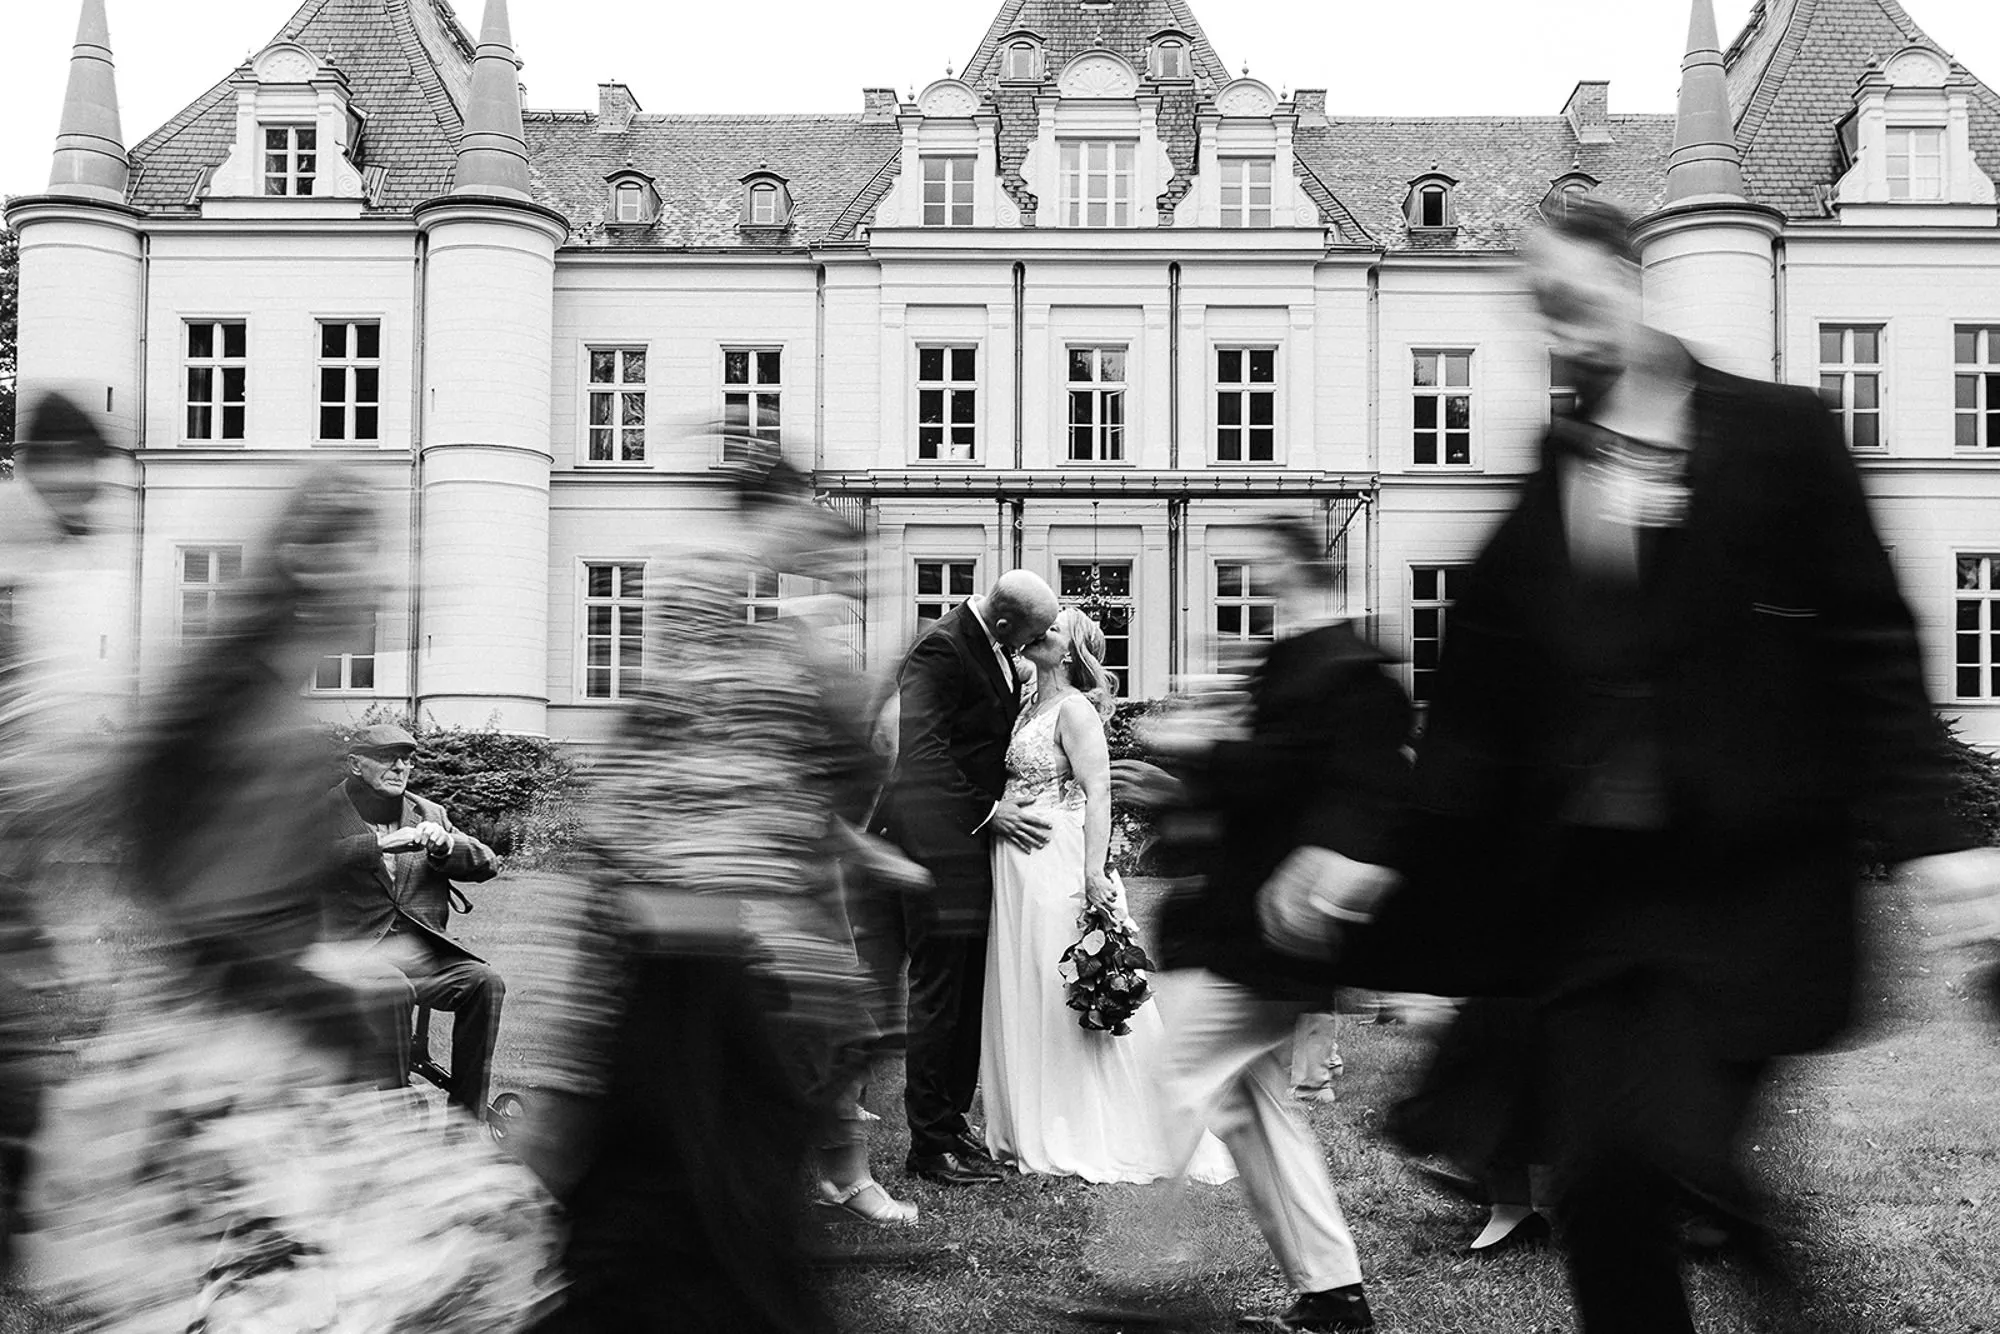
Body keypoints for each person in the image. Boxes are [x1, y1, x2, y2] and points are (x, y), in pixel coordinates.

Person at [1266, 197, 2000, 1333]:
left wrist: (1937, 837)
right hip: (1597, 908)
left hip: (1749, 891)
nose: (1564, 332)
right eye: (1542, 315)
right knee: (1602, 1178)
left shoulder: (1776, 434)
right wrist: (1357, 845)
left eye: (1573, 298)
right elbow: (1472, 713)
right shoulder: (1550, 481)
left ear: (1628, 277)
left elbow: (1869, 645)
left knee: (1677, 1149)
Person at [1114, 519, 1411, 1334]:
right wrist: (1185, 782)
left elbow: (1310, 779)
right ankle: (1335, 1295)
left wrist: (1196, 749)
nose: (1255, 579)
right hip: (1245, 930)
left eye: (1266, 564)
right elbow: (1268, 782)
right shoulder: (1300, 664)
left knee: (1175, 1083)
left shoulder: (1348, 670)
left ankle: (1131, 1280)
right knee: (1255, 1111)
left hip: (1265, 938)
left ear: (1297, 566)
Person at [979, 606, 1233, 1184]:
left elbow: (1099, 795)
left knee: (1057, 980)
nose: (1036, 634)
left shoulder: (1074, 710)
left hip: (1058, 860)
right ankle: (1028, 1121)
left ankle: (1082, 1124)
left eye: (1050, 629)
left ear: (1070, 650)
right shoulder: (1026, 708)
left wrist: (1095, 874)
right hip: (1015, 862)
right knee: (1024, 981)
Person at [877, 568, 1060, 1186]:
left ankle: (952, 1124)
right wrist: (990, 811)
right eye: (1025, 638)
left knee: (964, 993)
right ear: (1005, 623)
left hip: (967, 849)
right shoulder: (942, 647)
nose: (1024, 649)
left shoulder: (988, 644)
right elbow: (920, 754)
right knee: (940, 994)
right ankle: (929, 1145)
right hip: (933, 848)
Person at [325, 722, 503, 1115]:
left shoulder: (427, 812)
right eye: (388, 759)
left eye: (406, 759)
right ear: (356, 764)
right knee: (392, 987)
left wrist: (445, 846)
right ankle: (396, 1104)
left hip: (422, 952)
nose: (401, 768)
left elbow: (487, 863)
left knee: (484, 983)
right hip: (353, 952)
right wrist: (378, 844)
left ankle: (465, 1118)